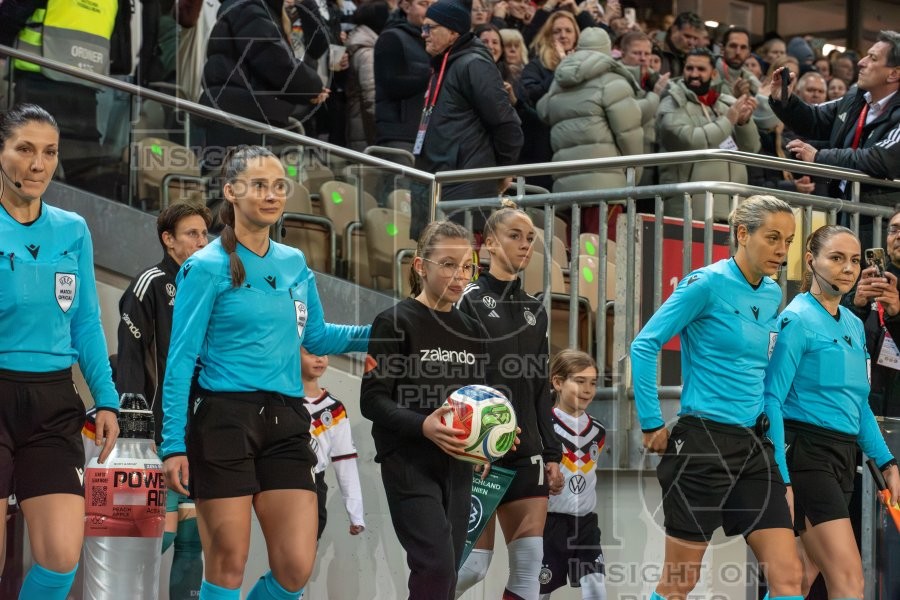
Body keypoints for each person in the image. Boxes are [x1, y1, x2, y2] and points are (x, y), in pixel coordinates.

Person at [159, 145, 370, 600]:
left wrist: (385, 332)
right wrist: (173, 444)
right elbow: (179, 361)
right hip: (223, 421)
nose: (272, 195)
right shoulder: (205, 266)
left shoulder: (294, 262)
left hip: (286, 420)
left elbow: (316, 337)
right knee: (228, 563)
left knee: (296, 567)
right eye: (259, 185)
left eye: (279, 186)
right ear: (231, 191)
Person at [630, 194, 804, 600]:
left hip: (752, 447)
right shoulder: (705, 283)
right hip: (702, 444)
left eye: (789, 241)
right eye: (773, 238)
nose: (782, 250)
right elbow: (644, 345)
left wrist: (779, 462)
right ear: (743, 234)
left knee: (789, 578)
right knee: (680, 583)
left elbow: (763, 383)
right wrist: (652, 421)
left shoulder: (771, 293)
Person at [0, 104, 120, 600]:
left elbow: (87, 322)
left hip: (53, 402)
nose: (38, 164)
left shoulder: (72, 229)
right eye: (24, 149)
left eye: (49, 152)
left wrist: (107, 399)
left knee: (61, 557)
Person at [764, 225, 900, 599]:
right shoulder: (795, 320)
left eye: (854, 260)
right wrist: (782, 477)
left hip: (842, 457)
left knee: (800, 578)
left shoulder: (855, 325)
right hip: (806, 455)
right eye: (836, 258)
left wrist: (887, 462)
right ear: (811, 261)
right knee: (849, 580)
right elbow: (771, 398)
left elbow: (859, 403)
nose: (848, 269)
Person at [361, 220, 489, 599]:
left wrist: (490, 437)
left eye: (467, 266)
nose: (459, 275)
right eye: (448, 264)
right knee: (433, 564)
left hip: (459, 466)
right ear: (420, 266)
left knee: (447, 571)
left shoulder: (473, 329)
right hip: (409, 461)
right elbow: (372, 399)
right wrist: (423, 426)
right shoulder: (394, 322)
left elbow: (479, 400)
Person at [453, 207, 563, 600]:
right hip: (479, 452)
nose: (525, 244)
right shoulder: (466, 300)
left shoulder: (535, 309)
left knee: (530, 566)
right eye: (515, 236)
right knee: (472, 567)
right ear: (490, 244)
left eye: (530, 238)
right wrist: (472, 444)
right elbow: (457, 378)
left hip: (527, 452)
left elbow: (539, 386)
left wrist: (552, 452)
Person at [115, 201, 211, 600]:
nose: (203, 241)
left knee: (193, 540)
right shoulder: (150, 284)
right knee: (157, 537)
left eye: (206, 234)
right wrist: (137, 434)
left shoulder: (212, 284)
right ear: (168, 240)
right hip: (157, 435)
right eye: (193, 234)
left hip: (204, 431)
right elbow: (130, 360)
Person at [410, 0, 523, 239]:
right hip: (438, 186)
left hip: (463, 190)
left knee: (458, 270)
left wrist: (503, 170)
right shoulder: (443, 66)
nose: (424, 34)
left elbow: (506, 123)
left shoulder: (474, 64)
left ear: (452, 32)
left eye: (430, 28)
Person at [770, 31, 900, 209]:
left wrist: (819, 156)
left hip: (881, 221)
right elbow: (815, 119)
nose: (861, 63)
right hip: (843, 206)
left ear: (893, 74)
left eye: (873, 58)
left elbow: (879, 158)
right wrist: (784, 99)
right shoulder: (856, 97)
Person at [537, 27, 647, 232]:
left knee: (576, 256)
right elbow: (629, 136)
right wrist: (633, 177)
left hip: (567, 189)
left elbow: (543, 110)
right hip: (606, 189)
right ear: (607, 50)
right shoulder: (613, 81)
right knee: (605, 256)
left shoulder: (560, 80)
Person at [656, 48, 760, 222]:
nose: (694, 74)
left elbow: (751, 149)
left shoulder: (725, 103)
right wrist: (727, 122)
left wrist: (743, 123)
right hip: (687, 208)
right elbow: (689, 140)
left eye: (701, 69)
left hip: (732, 207)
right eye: (689, 68)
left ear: (713, 74)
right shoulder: (671, 102)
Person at [539, 350, 606, 600]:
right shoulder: (543, 425)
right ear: (557, 382)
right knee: (540, 591)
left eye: (593, 383)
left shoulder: (598, 430)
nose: (588, 389)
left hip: (586, 524)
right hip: (549, 522)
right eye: (579, 381)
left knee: (596, 588)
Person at [300, 348, 365, 540]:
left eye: (324, 353)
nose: (319, 359)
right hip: (284, 482)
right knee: (289, 552)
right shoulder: (281, 400)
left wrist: (356, 514)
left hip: (315, 484)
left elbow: (345, 460)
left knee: (308, 548)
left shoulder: (334, 409)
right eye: (311, 353)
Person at [844, 209, 900, 417]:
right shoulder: (871, 279)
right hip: (866, 397)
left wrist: (897, 315)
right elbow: (841, 336)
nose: (898, 235)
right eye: (893, 230)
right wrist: (856, 304)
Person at [373, 0, 434, 156]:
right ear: (406, 7)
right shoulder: (391, 37)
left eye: (434, 4)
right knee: (399, 181)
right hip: (398, 134)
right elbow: (391, 84)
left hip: (429, 133)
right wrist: (433, 75)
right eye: (423, 3)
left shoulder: (435, 42)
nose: (430, 9)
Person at [658, 11, 705, 77]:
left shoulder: (695, 55)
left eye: (695, 38)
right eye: (687, 36)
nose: (691, 42)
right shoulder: (655, 51)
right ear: (674, 30)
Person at [716, 27, 759, 98]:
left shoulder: (751, 79)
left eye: (743, 47)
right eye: (733, 46)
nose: (738, 52)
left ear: (749, 52)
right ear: (722, 49)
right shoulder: (709, 72)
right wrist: (735, 97)